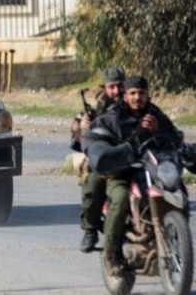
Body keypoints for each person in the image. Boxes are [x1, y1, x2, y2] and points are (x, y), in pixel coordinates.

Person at [81, 76, 181, 275]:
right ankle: (111, 255)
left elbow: (175, 138)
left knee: (175, 190)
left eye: (141, 93)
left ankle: (174, 237)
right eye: (133, 93)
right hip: (121, 173)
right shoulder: (113, 117)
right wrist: (140, 133)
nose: (138, 98)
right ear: (125, 96)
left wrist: (158, 132)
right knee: (120, 198)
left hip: (150, 170)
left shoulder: (156, 115)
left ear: (148, 95)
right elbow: (95, 138)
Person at [75, 68, 125, 253]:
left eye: (120, 86)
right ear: (104, 88)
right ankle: (90, 230)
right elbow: (77, 138)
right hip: (105, 157)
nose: (117, 91)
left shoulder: (134, 101)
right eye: (112, 87)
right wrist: (83, 128)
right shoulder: (96, 108)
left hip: (133, 155)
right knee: (93, 186)